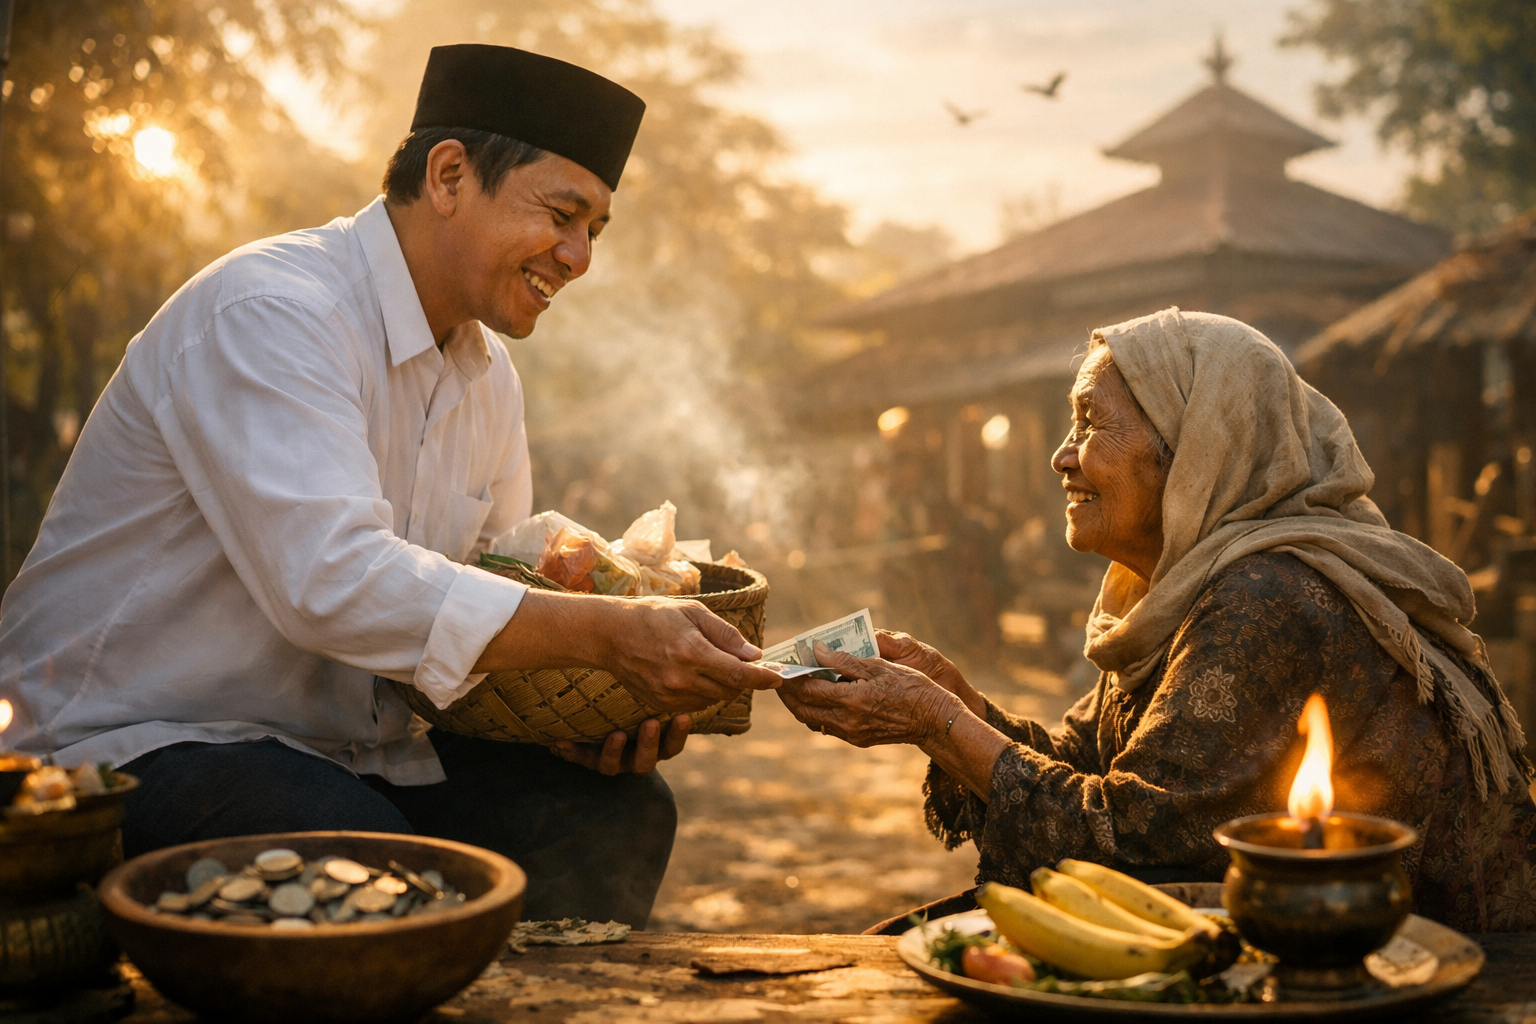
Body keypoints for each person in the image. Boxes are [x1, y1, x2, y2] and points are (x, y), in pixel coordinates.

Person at [0, 44, 781, 928]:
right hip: (136, 746)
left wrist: (579, 713)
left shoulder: (488, 379)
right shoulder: (275, 311)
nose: (578, 257)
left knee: (612, 814)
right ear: (449, 175)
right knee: (368, 863)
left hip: (350, 752)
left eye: (595, 230)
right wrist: (609, 634)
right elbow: (331, 581)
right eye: (563, 214)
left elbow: (486, 613)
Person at [780, 307, 1536, 934]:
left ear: (1195, 454)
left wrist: (938, 722)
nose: (1061, 458)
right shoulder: (1174, 588)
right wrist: (954, 697)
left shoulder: (1266, 594)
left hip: (1414, 974)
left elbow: (1124, 845)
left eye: (1089, 425)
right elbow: (1086, 766)